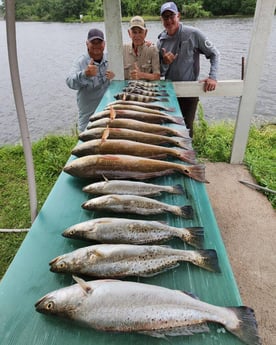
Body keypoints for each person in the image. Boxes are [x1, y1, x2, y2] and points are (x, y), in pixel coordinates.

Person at [157, 2, 220, 137]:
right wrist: (165, 63)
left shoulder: (193, 34)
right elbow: (160, 73)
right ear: (161, 20)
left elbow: (214, 54)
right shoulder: (160, 42)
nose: (169, 20)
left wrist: (212, 77)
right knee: (168, 128)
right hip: (169, 93)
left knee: (186, 129)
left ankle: (187, 156)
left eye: (171, 16)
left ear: (178, 16)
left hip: (189, 91)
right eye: (165, 17)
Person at [66, 28, 115, 132]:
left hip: (109, 111)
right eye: (93, 42)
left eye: (99, 42)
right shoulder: (80, 61)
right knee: (85, 142)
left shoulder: (111, 59)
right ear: (87, 44)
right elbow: (69, 82)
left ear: (104, 44)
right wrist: (85, 74)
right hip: (89, 115)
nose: (96, 45)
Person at [123, 16, 160, 81]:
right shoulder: (122, 50)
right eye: (134, 32)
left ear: (145, 33)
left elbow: (157, 76)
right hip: (128, 89)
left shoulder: (153, 50)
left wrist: (141, 75)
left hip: (146, 89)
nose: (137, 36)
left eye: (140, 32)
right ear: (129, 33)